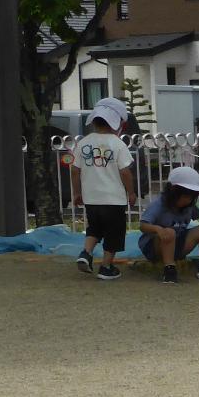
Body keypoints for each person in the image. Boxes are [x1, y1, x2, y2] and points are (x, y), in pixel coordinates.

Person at [71, 97, 136, 280]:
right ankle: (106, 267)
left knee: (95, 228)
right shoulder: (117, 144)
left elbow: (75, 170)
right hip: (113, 199)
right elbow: (125, 172)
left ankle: (86, 252)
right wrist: (130, 192)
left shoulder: (83, 143)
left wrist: (77, 193)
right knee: (114, 233)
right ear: (116, 123)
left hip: (91, 198)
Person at [138, 166, 199, 284]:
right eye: (186, 196)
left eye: (192, 197)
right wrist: (157, 229)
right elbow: (143, 225)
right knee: (169, 232)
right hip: (155, 247)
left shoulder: (188, 207)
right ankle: (169, 269)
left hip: (177, 244)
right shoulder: (159, 205)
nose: (189, 200)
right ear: (173, 192)